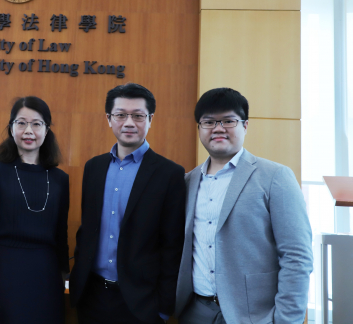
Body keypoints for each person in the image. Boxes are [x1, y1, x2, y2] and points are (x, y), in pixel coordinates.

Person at [175, 88, 313, 324]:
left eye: (228, 120)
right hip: (194, 311)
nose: (218, 128)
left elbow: (297, 256)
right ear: (199, 128)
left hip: (255, 315)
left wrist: (285, 320)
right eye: (208, 122)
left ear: (245, 125)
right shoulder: (187, 181)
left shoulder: (275, 177)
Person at [69, 83, 186, 324]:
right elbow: (87, 230)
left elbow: (172, 245)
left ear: (150, 119)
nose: (129, 122)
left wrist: (163, 308)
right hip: (91, 296)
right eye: (121, 115)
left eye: (138, 116)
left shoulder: (170, 174)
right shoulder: (94, 167)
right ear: (109, 119)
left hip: (141, 303)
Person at [0, 96, 69, 324]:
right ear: (11, 128)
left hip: (47, 281)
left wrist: (63, 280)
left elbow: (61, 237)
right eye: (21, 123)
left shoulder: (60, 179)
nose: (29, 130)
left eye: (36, 124)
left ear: (46, 131)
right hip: (4, 277)